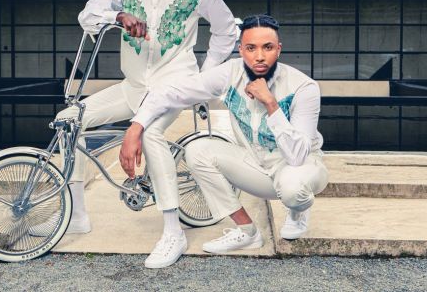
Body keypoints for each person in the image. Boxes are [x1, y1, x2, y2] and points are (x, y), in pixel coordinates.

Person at [51, 0, 237, 269]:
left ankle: (173, 232)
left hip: (173, 84)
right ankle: (76, 214)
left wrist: (205, 76)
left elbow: (227, 29)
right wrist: (119, 16)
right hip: (133, 85)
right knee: (68, 120)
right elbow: (88, 16)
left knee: (150, 134)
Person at [120, 14, 328, 254]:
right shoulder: (230, 73)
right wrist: (136, 127)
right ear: (241, 50)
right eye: (251, 48)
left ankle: (298, 212)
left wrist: (271, 103)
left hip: (300, 167)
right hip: (256, 165)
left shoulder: (303, 87)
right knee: (197, 151)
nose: (259, 56)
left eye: (268, 47)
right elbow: (172, 92)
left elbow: (297, 156)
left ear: (278, 49)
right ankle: (247, 232)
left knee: (293, 188)